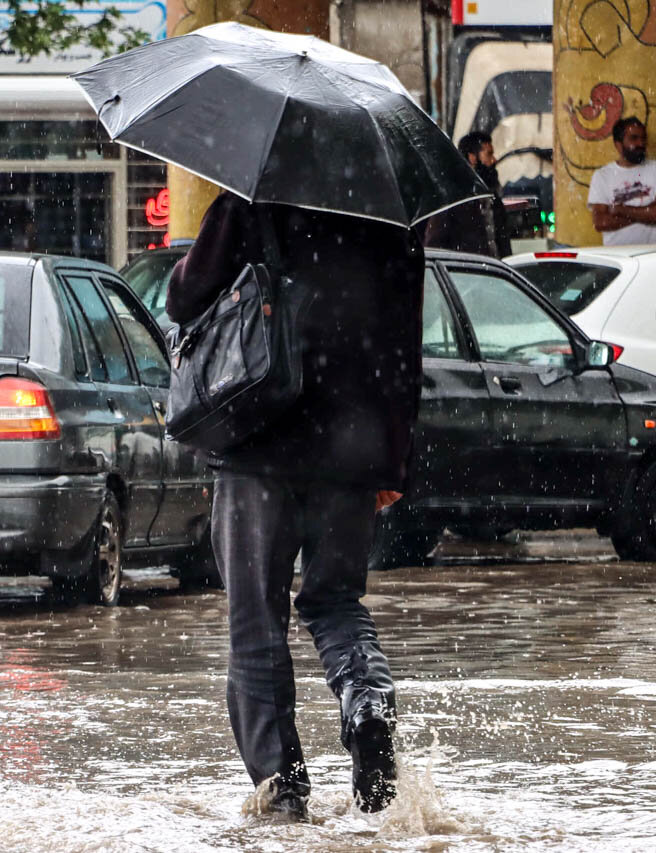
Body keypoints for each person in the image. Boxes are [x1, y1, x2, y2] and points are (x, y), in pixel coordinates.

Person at [167, 190, 424, 820]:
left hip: (257, 440)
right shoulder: (391, 215)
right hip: (351, 450)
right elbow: (405, 347)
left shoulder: (250, 198)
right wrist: (391, 459)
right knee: (336, 602)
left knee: (256, 621)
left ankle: (283, 798)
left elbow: (183, 299)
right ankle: (366, 702)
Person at [587, 116, 656, 245]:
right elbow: (601, 222)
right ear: (618, 145)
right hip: (617, 254)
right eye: (634, 138)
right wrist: (646, 214)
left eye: (643, 138)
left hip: (655, 253)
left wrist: (622, 211)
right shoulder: (602, 176)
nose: (641, 143)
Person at [423, 131, 509, 256]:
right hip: (467, 266)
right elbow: (435, 244)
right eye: (489, 154)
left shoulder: (492, 197)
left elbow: (502, 240)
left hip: (493, 267)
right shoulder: (453, 197)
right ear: (472, 157)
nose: (493, 160)